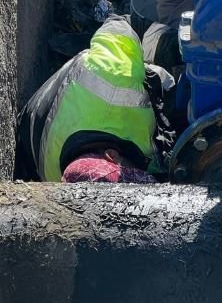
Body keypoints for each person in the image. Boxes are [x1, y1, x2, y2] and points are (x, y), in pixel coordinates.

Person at [17, 15, 176, 184]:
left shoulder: (112, 75)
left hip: (78, 93)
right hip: (33, 132)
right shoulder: (58, 180)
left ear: (112, 156)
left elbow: (121, 24)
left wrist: (172, 46)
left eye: (135, 175)